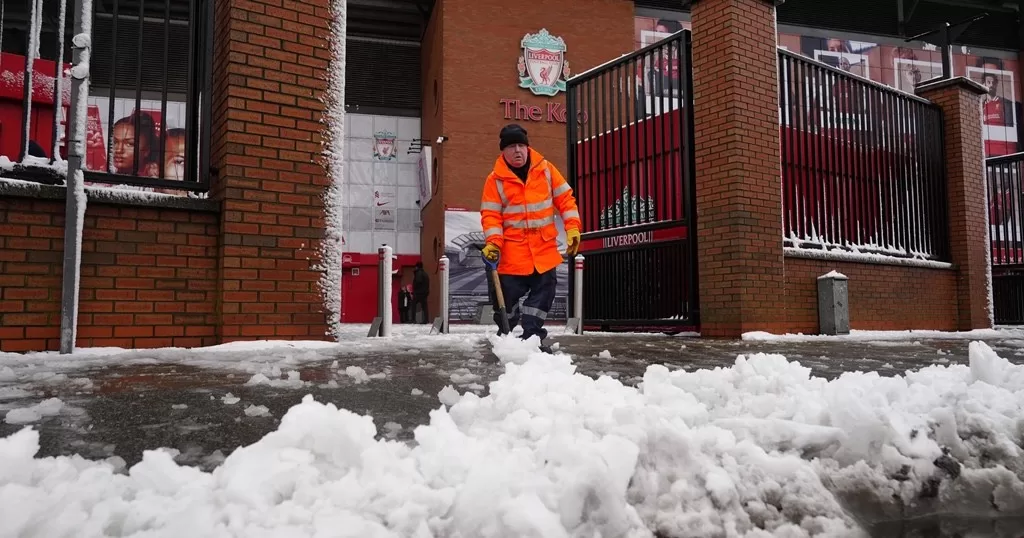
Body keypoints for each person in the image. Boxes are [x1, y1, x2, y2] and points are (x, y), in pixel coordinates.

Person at [480, 124, 581, 352]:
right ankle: (506, 336)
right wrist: (493, 243)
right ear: (503, 151)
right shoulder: (495, 180)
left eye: (521, 145)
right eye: (512, 146)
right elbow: (491, 216)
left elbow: (566, 200)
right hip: (512, 255)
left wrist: (573, 228)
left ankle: (532, 337)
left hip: (543, 252)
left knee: (543, 295)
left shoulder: (546, 170)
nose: (517, 150)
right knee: (506, 303)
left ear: (527, 147)